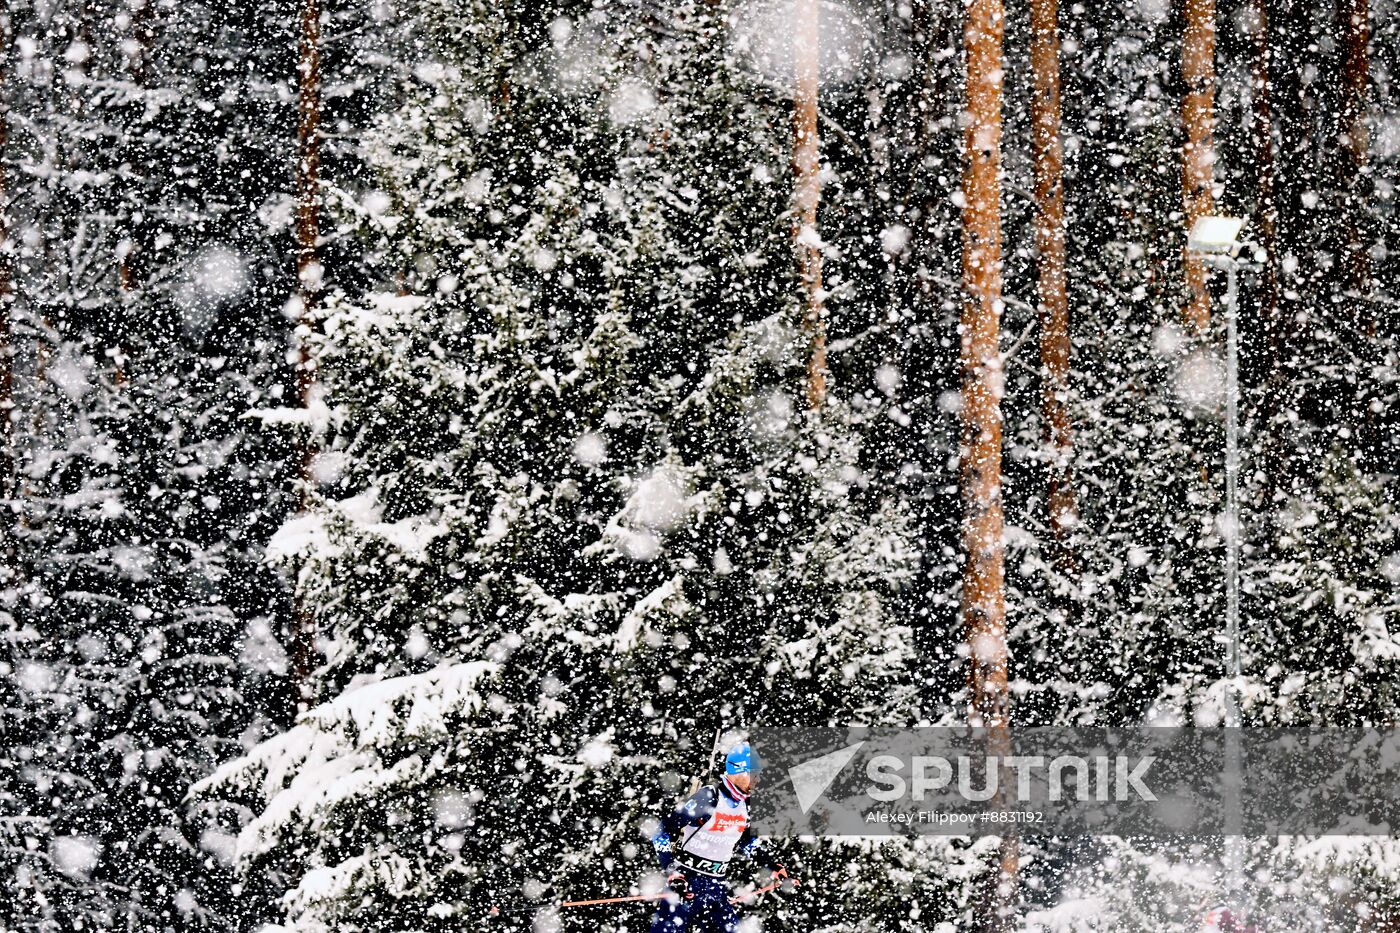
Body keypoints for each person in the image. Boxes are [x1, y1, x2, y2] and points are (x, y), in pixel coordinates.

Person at [649, 742, 786, 932]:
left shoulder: (746, 806)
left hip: (715, 887)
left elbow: (746, 842)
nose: (758, 780)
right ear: (740, 772)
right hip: (687, 883)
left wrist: (774, 867)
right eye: (754, 774)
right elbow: (660, 830)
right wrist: (672, 871)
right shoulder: (709, 797)